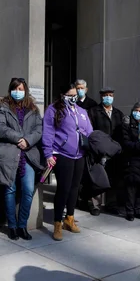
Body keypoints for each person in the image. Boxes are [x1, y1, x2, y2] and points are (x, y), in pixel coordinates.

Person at [0, 78, 43, 240]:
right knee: (10, 190)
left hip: (28, 154)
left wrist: (28, 140)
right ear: (10, 90)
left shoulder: (33, 109)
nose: (18, 91)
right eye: (15, 88)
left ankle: (22, 225)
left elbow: (39, 129)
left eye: (21, 88)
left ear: (25, 90)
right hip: (9, 153)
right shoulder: (3, 107)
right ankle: (12, 226)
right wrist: (20, 138)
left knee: (27, 190)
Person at [43, 82, 93, 241]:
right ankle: (57, 222)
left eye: (75, 95)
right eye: (70, 95)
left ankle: (69, 219)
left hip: (80, 154)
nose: (73, 98)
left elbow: (89, 130)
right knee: (63, 189)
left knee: (74, 188)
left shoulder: (82, 111)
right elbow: (48, 132)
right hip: (62, 153)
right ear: (62, 95)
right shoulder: (53, 110)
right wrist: (48, 153)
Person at [86, 87, 125, 216]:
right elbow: (90, 131)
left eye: (110, 95)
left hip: (113, 151)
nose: (108, 97)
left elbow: (121, 133)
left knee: (112, 177)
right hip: (98, 150)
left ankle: (111, 204)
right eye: (105, 95)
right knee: (98, 177)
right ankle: (95, 204)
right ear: (101, 97)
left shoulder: (118, 114)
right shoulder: (93, 112)